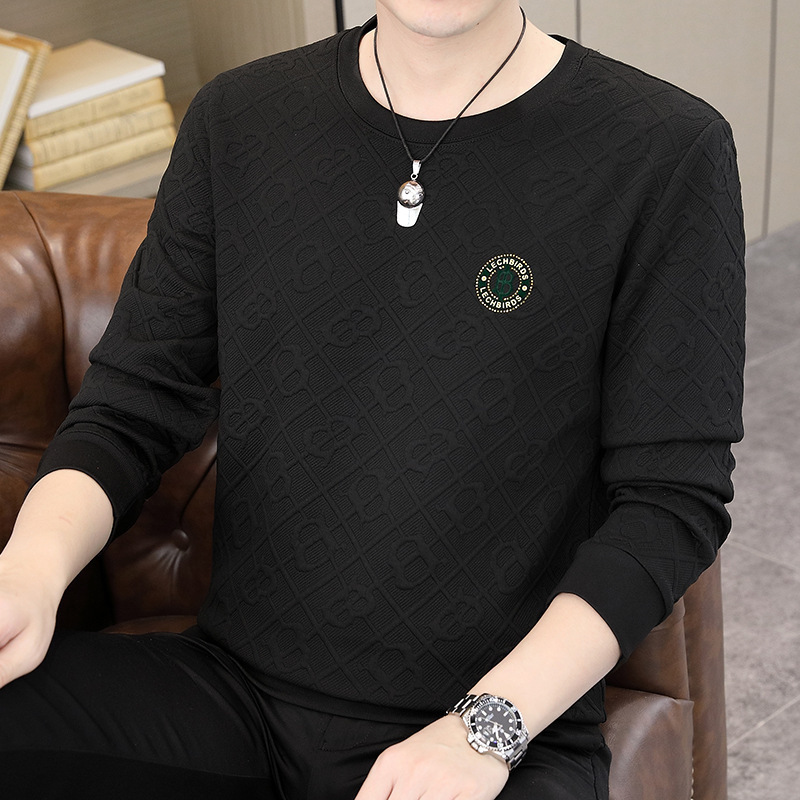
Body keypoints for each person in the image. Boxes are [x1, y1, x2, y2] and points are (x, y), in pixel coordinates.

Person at [0, 1, 745, 798]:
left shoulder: (667, 148)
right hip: (231, 692)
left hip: (492, 728)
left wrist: (485, 730)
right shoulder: (238, 118)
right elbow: (132, 402)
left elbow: (670, 504)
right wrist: (30, 570)